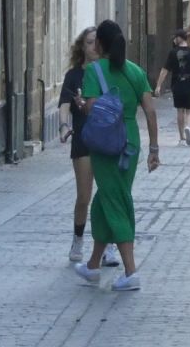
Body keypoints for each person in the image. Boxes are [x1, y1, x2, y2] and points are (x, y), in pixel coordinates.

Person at [71, 20, 159, 293]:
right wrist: (154, 148)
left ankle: (131, 271)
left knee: (116, 200)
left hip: (105, 144)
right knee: (105, 199)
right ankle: (94, 265)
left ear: (99, 45)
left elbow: (93, 108)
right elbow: (150, 110)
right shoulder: (135, 71)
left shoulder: (92, 71)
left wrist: (83, 104)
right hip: (130, 142)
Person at [58, 26, 98, 263]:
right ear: (82, 47)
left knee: (107, 195)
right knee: (84, 196)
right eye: (90, 42)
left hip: (106, 140)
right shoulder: (74, 75)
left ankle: (109, 243)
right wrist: (64, 126)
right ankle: (78, 238)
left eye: (97, 42)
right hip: (83, 138)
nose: (94, 47)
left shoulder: (107, 72)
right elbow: (64, 104)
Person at [155, 28, 190, 144]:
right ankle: (188, 127)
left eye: (175, 37)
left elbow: (165, 70)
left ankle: (182, 136)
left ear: (179, 38)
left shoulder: (173, 52)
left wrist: (158, 85)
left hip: (177, 84)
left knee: (180, 110)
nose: (174, 40)